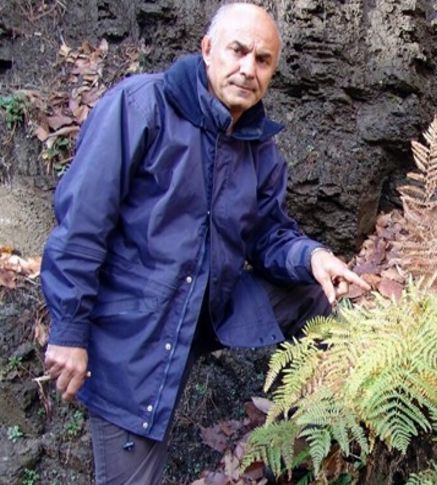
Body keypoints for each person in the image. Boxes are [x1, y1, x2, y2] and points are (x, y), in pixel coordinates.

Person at [39, 2, 370, 483]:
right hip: (131, 332)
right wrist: (69, 331)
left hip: (207, 310)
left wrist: (312, 254)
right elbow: (82, 224)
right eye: (238, 51)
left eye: (262, 61)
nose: (247, 69)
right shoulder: (141, 106)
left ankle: (319, 431)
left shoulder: (258, 147)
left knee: (317, 293)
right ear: (207, 48)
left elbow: (266, 234)